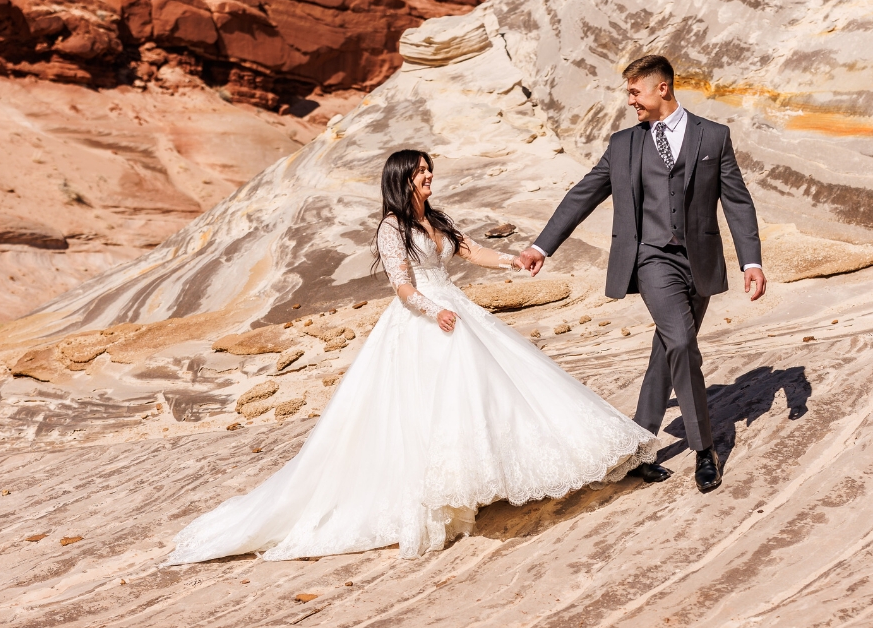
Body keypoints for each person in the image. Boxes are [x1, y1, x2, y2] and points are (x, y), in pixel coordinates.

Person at [166, 149, 655, 564]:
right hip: (425, 318)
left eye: (429, 168)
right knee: (430, 407)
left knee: (493, 389)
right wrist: (433, 309)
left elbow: (470, 252)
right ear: (403, 178)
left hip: (456, 309)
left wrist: (517, 258)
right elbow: (401, 287)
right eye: (421, 170)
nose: (429, 175)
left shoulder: (434, 219)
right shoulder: (391, 226)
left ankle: (489, 480)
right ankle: (439, 496)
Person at [516, 55, 766, 493]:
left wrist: (752, 261)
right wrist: (542, 245)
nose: (630, 100)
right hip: (651, 259)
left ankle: (640, 448)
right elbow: (583, 194)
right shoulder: (623, 144)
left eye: (635, 92)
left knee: (667, 351)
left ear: (662, 89)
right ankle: (705, 449)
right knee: (683, 341)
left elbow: (738, 202)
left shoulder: (714, 136)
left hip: (701, 260)